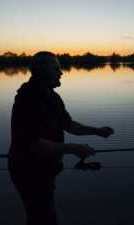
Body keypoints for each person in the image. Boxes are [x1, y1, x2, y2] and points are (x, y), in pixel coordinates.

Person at [8, 51, 114, 225]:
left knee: (40, 217)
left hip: (46, 168)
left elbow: (68, 124)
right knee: (44, 219)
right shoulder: (27, 101)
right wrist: (73, 148)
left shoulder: (53, 97)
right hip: (28, 171)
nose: (61, 73)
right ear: (42, 73)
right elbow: (33, 145)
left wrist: (97, 131)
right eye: (56, 69)